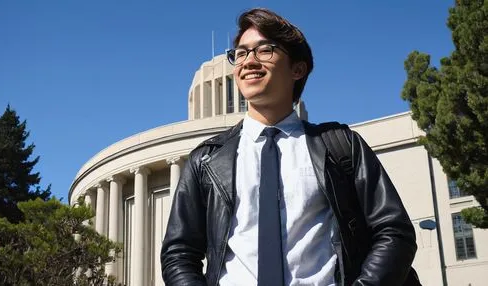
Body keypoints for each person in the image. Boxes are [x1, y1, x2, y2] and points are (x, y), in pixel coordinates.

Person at [161, 8, 419, 286]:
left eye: (265, 50)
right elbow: (179, 253)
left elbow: (394, 231)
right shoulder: (208, 160)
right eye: (241, 53)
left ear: (298, 68)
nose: (249, 61)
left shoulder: (341, 146)